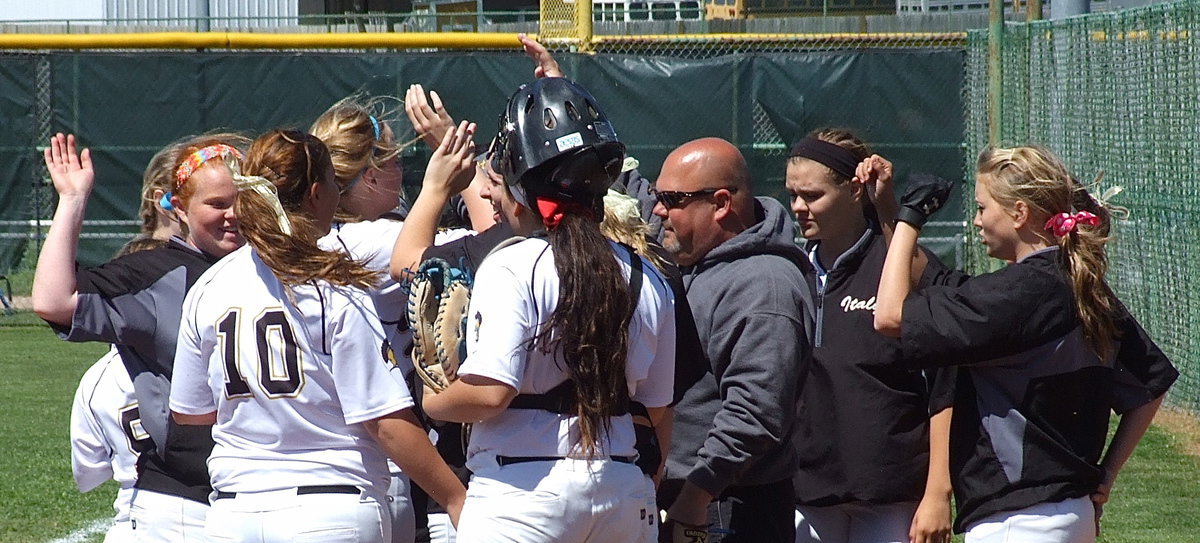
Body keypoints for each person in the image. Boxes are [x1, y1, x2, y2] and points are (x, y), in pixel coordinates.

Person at [168, 129, 468, 543]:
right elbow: (385, 421)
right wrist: (455, 499)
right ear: (314, 193)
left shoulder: (208, 286)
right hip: (329, 510)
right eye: (333, 183)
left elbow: (189, 412)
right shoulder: (335, 285)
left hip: (234, 513)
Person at [873, 145, 1178, 542]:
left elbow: (890, 315)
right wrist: (1107, 473)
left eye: (983, 208)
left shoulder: (1018, 293)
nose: (977, 220)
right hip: (1068, 512)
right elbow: (1150, 387)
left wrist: (910, 219)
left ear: (1019, 213)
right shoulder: (1078, 284)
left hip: (1019, 522)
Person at [420, 77, 676, 543]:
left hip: (522, 493)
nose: (493, 196)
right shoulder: (647, 274)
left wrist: (432, 398)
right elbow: (659, 411)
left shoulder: (513, 263)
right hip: (621, 486)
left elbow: (490, 394)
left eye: (500, 181)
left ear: (522, 186)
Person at [34, 132, 250, 540]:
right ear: (180, 208)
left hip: (256, 495)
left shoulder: (268, 269)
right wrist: (73, 200)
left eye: (242, 200)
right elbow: (54, 300)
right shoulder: (157, 274)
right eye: (217, 203)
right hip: (187, 503)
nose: (233, 215)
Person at [310, 93, 478, 543]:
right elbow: (493, 241)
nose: (402, 170)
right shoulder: (376, 240)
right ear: (368, 176)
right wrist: (459, 173)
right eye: (394, 160)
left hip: (323, 453)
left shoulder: (310, 242)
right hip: (383, 461)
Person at [785, 129, 954, 543]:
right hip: (807, 490)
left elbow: (946, 380)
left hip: (891, 491)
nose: (798, 208)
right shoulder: (790, 269)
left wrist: (937, 491)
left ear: (855, 190)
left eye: (812, 195)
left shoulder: (896, 264)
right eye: (792, 194)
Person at [649, 137, 811, 543]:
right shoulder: (699, 263)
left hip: (727, 505)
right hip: (696, 497)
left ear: (721, 204)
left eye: (671, 199)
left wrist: (696, 495)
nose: (657, 210)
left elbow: (757, 413)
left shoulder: (763, 285)